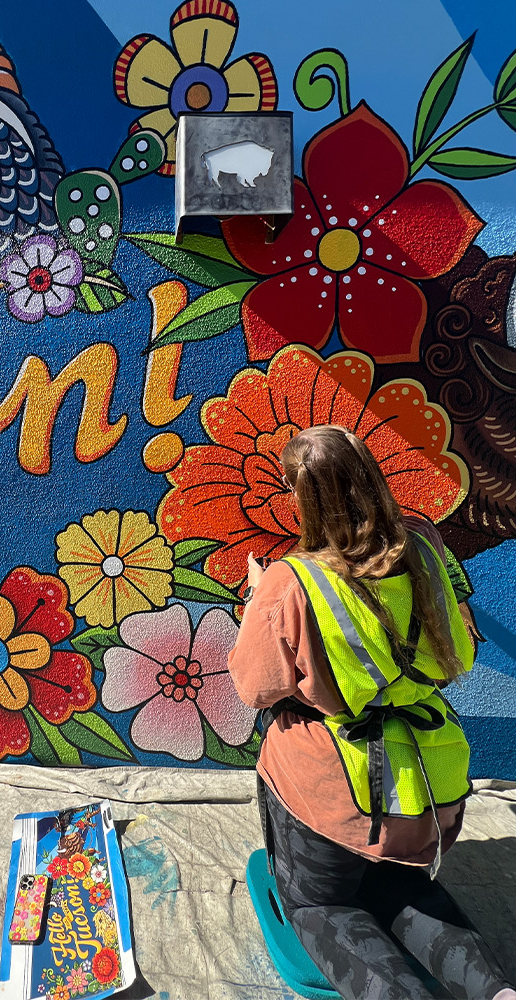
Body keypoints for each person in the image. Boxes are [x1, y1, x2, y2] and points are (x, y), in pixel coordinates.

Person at [228, 425, 515, 1000]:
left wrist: (260, 599)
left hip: (338, 791)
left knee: (322, 904)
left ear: (299, 494)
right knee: (405, 892)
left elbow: (255, 688)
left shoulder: (291, 580)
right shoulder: (427, 543)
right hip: (429, 780)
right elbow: (463, 642)